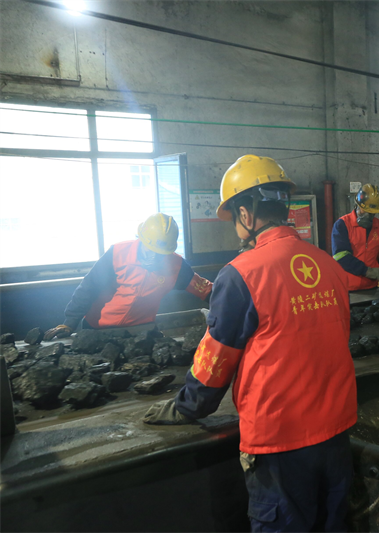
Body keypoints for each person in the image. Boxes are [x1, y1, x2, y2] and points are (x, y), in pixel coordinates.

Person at [143, 155, 357, 533]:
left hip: (281, 439)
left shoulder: (241, 274)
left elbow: (216, 359)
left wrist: (186, 407)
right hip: (337, 429)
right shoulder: (327, 264)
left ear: (245, 213)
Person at [43, 213, 212, 340]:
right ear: (141, 240)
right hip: (98, 330)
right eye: (150, 250)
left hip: (142, 332)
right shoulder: (117, 254)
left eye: (160, 253)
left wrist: (224, 305)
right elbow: (89, 287)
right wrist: (69, 322)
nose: (154, 257)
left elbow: (205, 290)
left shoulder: (176, 266)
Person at [331, 183, 379, 290]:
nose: (369, 217)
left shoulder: (378, 226)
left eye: (372, 213)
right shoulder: (342, 225)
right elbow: (341, 256)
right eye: (366, 211)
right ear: (358, 205)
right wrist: (367, 271)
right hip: (347, 287)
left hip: (371, 287)